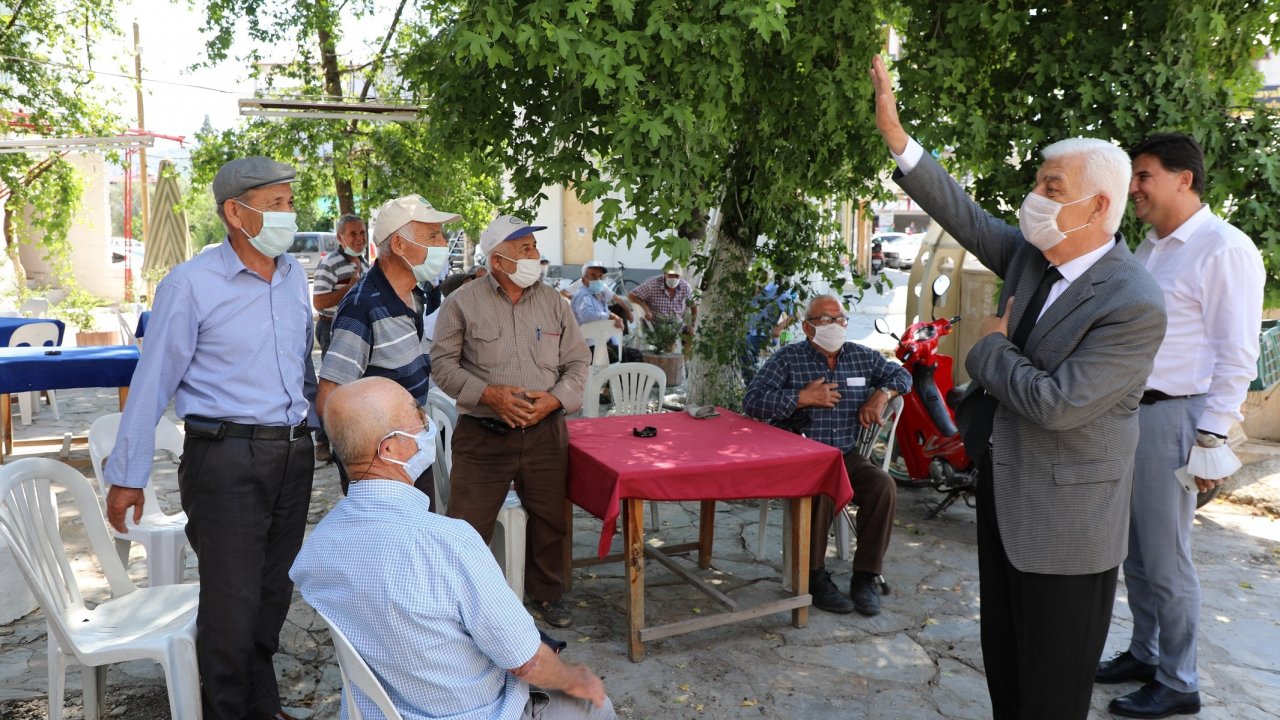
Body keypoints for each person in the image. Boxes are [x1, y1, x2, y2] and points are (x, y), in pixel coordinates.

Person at [871, 55, 1167, 720]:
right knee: (1006, 669)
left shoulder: (1133, 302)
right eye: (1038, 181)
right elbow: (968, 217)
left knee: (1052, 692)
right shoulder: (1036, 257)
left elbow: (1056, 404)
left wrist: (990, 347)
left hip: (1068, 528)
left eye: (1050, 186)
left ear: (1097, 206)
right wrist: (899, 139)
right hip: (1007, 501)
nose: (1035, 196)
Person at [104, 156, 317, 720]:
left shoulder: (295, 277)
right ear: (235, 212)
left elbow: (301, 368)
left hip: (292, 454)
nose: (289, 214)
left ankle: (260, 706)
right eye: (276, 204)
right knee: (232, 602)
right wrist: (126, 477)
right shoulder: (191, 285)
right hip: (226, 458)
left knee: (272, 595)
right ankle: (226, 710)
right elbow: (151, 384)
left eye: (290, 201)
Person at [291, 377, 616, 720]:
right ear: (390, 448)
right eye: (416, 414)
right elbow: (526, 662)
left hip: (379, 710)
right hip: (472, 711)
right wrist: (574, 678)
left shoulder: (318, 546)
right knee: (596, 706)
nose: (425, 421)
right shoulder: (449, 542)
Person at [1094, 133, 1264, 719]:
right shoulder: (1150, 250)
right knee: (1135, 555)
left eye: (1143, 176)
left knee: (1166, 557)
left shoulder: (1223, 248)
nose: (1133, 188)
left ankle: (1180, 679)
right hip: (1132, 415)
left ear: (1183, 179)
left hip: (1178, 418)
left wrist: (1211, 437)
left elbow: (1237, 353)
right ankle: (1146, 653)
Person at [431, 214, 591, 628]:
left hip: (545, 433)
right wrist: (489, 395)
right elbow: (442, 366)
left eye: (534, 248)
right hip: (484, 435)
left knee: (550, 519)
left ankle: (546, 594)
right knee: (467, 526)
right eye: (525, 249)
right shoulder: (462, 303)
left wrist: (554, 401)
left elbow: (577, 362)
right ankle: (460, 606)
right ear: (497, 260)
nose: (536, 256)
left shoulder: (555, 302)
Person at [742, 294, 911, 616]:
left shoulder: (863, 358)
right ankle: (814, 575)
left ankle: (865, 576)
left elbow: (902, 375)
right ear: (808, 327)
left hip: (845, 453)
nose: (835, 325)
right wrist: (800, 397)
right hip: (800, 457)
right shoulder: (788, 359)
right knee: (821, 482)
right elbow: (753, 402)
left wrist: (882, 394)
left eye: (841, 318)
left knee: (882, 486)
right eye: (825, 319)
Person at [316, 194, 460, 501]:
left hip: (411, 455)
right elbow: (329, 400)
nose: (442, 243)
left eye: (441, 235)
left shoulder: (413, 295)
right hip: (383, 471)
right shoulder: (362, 306)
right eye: (432, 235)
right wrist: (369, 470)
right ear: (398, 245)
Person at [311, 213, 369, 463]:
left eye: (362, 233)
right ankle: (323, 440)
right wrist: (350, 287)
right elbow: (319, 301)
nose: (359, 238)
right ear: (340, 237)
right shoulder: (330, 263)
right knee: (332, 386)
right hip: (331, 329)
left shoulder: (365, 263)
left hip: (356, 331)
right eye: (353, 233)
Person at [571, 259, 642, 363]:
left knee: (631, 354)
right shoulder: (583, 295)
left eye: (600, 277)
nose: (598, 280)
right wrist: (611, 316)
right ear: (584, 280)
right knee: (634, 356)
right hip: (589, 347)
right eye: (593, 276)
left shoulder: (598, 293)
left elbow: (616, 298)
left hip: (600, 342)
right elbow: (587, 315)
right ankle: (621, 379)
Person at [627, 261, 696, 347]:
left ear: (680, 277)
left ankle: (685, 359)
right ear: (664, 274)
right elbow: (631, 295)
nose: (674, 278)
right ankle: (669, 353)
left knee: (689, 337)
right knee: (669, 341)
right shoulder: (652, 284)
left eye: (677, 276)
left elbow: (693, 305)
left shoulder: (685, 287)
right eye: (671, 275)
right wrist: (645, 308)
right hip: (655, 324)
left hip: (676, 324)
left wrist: (692, 325)